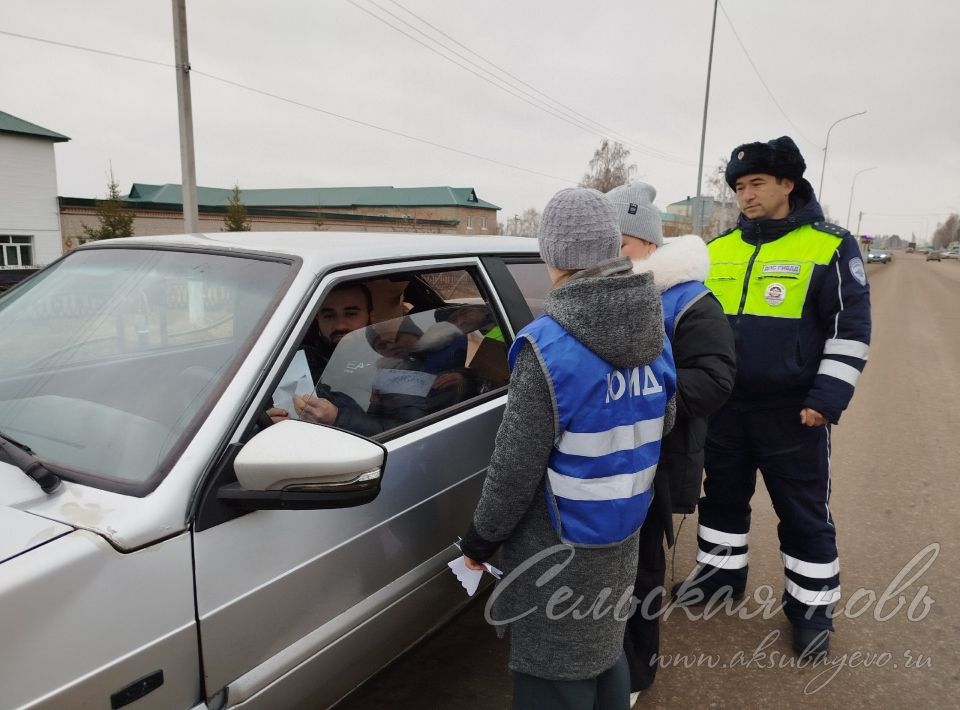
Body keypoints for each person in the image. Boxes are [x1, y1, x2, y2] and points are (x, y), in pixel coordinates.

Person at [459, 187, 677, 710]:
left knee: (554, 673)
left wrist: (479, 541)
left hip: (555, 544)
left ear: (551, 255)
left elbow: (514, 469)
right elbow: (664, 418)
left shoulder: (548, 347)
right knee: (604, 651)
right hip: (624, 528)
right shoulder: (655, 332)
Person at [671, 136, 871, 660]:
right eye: (739, 186)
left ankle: (811, 612)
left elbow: (849, 329)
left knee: (803, 513)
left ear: (788, 183)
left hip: (794, 414)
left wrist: (826, 398)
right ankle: (719, 577)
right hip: (724, 410)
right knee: (721, 501)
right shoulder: (717, 251)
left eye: (757, 183)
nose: (746, 195)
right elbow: (690, 325)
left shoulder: (831, 244)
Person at [605, 182, 736, 699]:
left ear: (643, 241)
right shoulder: (608, 292)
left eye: (618, 243)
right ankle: (603, 659)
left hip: (656, 459)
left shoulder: (690, 301)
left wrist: (640, 396)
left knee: (641, 570)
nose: (610, 254)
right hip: (607, 454)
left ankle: (637, 676)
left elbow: (717, 378)